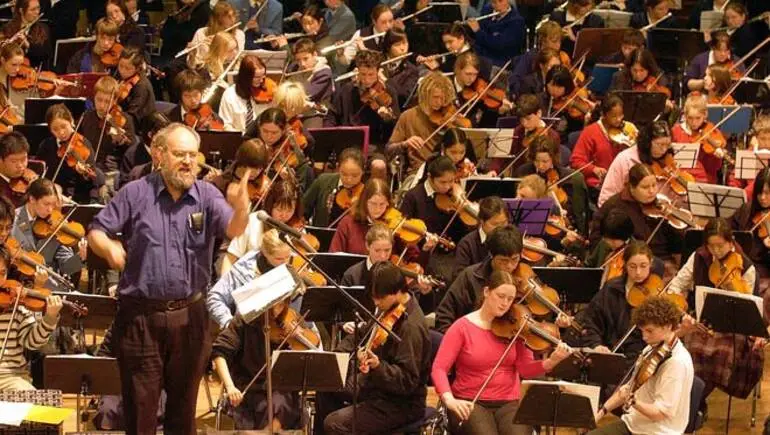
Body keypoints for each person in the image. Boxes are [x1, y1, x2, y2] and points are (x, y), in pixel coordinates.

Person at [87, 123, 250, 434]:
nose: (188, 161)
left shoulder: (207, 195)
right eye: (179, 154)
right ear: (159, 155)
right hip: (141, 319)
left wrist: (242, 207)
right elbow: (96, 230)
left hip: (191, 317)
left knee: (183, 410)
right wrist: (108, 246)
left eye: (192, 154)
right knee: (140, 409)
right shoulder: (134, 193)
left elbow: (235, 229)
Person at [432, 270, 572, 434]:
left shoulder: (516, 327)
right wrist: (449, 400)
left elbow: (525, 369)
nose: (505, 303)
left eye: (510, 299)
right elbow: (439, 368)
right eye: (500, 296)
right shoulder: (462, 327)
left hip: (508, 402)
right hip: (470, 400)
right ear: (486, 292)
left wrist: (551, 361)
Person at [314, 261, 431, 434]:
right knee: (326, 383)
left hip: (400, 403)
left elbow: (407, 381)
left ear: (398, 291)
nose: (375, 302)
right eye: (373, 297)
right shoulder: (389, 308)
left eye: (380, 297)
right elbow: (362, 334)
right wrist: (337, 354)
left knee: (335, 423)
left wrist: (377, 366)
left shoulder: (411, 327)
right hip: (374, 386)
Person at [669, 218, 766, 403]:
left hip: (734, 328)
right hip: (704, 323)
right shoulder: (699, 257)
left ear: (731, 242)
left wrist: (733, 289)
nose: (716, 251)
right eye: (711, 246)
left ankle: (695, 402)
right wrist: (682, 310)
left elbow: (750, 308)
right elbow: (677, 284)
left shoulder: (746, 267)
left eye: (721, 245)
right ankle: (693, 402)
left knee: (720, 354)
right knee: (692, 350)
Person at [589, 296, 694, 435]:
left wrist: (633, 402)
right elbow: (627, 389)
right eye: (642, 331)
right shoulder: (651, 348)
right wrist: (599, 414)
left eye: (650, 331)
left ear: (668, 326)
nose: (644, 337)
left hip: (658, 431)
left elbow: (661, 413)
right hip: (633, 424)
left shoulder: (677, 363)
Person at [590, 163, 683, 276]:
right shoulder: (614, 205)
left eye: (654, 185)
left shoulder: (662, 205)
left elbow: (676, 243)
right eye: (645, 187)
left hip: (664, 261)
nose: (652, 191)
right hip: (630, 264)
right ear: (632, 188)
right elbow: (598, 238)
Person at [579, 240, 660, 360]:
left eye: (643, 266)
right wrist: (596, 345)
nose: (638, 272)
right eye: (633, 266)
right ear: (625, 264)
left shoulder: (656, 292)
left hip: (641, 356)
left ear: (651, 263)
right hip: (609, 353)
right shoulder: (611, 288)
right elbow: (591, 321)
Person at [435, 224, 522, 333]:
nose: (510, 266)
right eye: (503, 260)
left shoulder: (524, 277)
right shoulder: (470, 277)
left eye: (515, 259)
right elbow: (444, 316)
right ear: (491, 255)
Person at [0, 247, 62, 391]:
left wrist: (49, 318)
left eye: (3, 273)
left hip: (11, 377)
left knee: (31, 400)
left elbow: (33, 342)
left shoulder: (16, 305)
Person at [11, 178, 86, 291]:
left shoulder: (56, 224)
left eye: (53, 204)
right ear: (32, 199)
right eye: (46, 204)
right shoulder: (12, 221)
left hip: (51, 287)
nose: (50, 210)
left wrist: (81, 257)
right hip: (17, 286)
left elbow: (66, 268)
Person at [221, 178, 303, 275]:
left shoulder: (293, 230)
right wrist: (224, 285)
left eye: (290, 211)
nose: (284, 215)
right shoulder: (253, 221)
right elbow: (230, 258)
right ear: (271, 204)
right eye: (280, 209)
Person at [323, 50, 400, 148]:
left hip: (374, 143)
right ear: (357, 71)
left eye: (371, 74)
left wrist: (387, 119)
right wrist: (328, 133)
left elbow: (396, 126)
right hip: (348, 141)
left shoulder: (389, 91)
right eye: (363, 74)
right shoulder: (346, 90)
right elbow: (331, 115)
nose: (367, 80)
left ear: (378, 71)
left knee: (378, 164)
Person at [387, 72, 457, 175]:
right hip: (418, 172)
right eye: (435, 97)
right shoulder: (408, 116)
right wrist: (404, 144)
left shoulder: (449, 117)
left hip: (448, 172)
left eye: (443, 98)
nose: (440, 102)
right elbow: (389, 150)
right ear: (425, 95)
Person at [36, 104, 105, 204]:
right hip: (52, 196)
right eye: (55, 129)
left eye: (64, 126)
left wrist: (83, 173)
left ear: (71, 121)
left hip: (77, 198)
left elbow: (92, 180)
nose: (61, 132)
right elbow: (39, 170)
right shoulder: (46, 145)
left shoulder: (83, 144)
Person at [82, 75, 137, 200]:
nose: (102, 106)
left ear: (115, 101)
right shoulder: (86, 117)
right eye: (99, 100)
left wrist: (121, 142)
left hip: (111, 173)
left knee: (104, 194)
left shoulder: (123, 120)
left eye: (107, 101)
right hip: (89, 170)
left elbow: (133, 152)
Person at [570, 95, 634, 197]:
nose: (619, 120)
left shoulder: (627, 129)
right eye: (614, 116)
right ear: (604, 115)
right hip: (599, 185)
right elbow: (576, 160)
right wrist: (593, 169)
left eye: (621, 115)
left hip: (623, 182)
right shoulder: (590, 132)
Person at [599, 120, 674, 207]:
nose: (664, 150)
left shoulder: (668, 159)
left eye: (667, 145)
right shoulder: (625, 159)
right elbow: (605, 198)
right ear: (648, 142)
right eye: (660, 144)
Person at [671, 93, 727, 184]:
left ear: (705, 115)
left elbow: (714, 168)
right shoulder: (676, 131)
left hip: (704, 178)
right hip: (680, 178)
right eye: (690, 118)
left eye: (698, 118)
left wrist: (716, 157)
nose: (694, 122)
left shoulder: (710, 130)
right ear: (685, 115)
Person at [730, 167, 770, 294]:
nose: (762, 198)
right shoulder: (746, 210)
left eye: (768, 193)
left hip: (763, 268)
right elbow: (728, 231)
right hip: (740, 264)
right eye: (759, 193)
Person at [302, 147, 364, 227]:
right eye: (344, 174)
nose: (349, 180)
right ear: (338, 167)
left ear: (362, 172)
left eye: (355, 175)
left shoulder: (366, 192)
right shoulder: (322, 181)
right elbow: (304, 209)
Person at [329, 177, 391, 255]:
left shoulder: (391, 225)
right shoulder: (348, 223)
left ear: (388, 203)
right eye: (373, 203)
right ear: (364, 202)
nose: (377, 209)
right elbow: (334, 255)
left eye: (382, 204)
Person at [219, 55, 276, 132]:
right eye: (257, 77)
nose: (262, 80)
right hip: (238, 138)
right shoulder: (229, 95)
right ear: (245, 77)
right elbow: (226, 125)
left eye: (263, 76)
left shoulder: (269, 92)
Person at [454, 196, 508, 275]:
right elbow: (459, 277)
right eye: (495, 224)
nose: (500, 229)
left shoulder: (511, 238)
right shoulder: (466, 244)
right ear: (482, 221)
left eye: (503, 223)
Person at [187, 2, 245, 68]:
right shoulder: (201, 33)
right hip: (206, 73)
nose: (233, 20)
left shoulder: (239, 34)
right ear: (218, 18)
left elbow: (237, 61)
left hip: (230, 73)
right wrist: (192, 55)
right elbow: (192, 66)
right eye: (228, 17)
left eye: (233, 15)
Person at [1, 0, 52, 69]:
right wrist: (5, 47)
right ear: (21, 11)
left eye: (38, 8)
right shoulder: (7, 28)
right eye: (33, 9)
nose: (37, 12)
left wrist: (28, 45)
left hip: (32, 72)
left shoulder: (43, 29)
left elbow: (46, 54)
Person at [115, 47, 156, 128]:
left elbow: (132, 115)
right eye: (120, 66)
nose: (122, 71)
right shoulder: (120, 77)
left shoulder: (142, 86)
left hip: (140, 128)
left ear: (137, 68)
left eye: (128, 68)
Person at [287, 38, 333, 106]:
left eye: (306, 59)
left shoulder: (324, 72)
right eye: (298, 60)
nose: (302, 64)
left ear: (315, 54)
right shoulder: (296, 68)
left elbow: (307, 94)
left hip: (317, 113)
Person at [0, 132, 35, 207]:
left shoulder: (29, 175)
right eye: (14, 161)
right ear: (1, 160)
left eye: (23, 159)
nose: (20, 166)